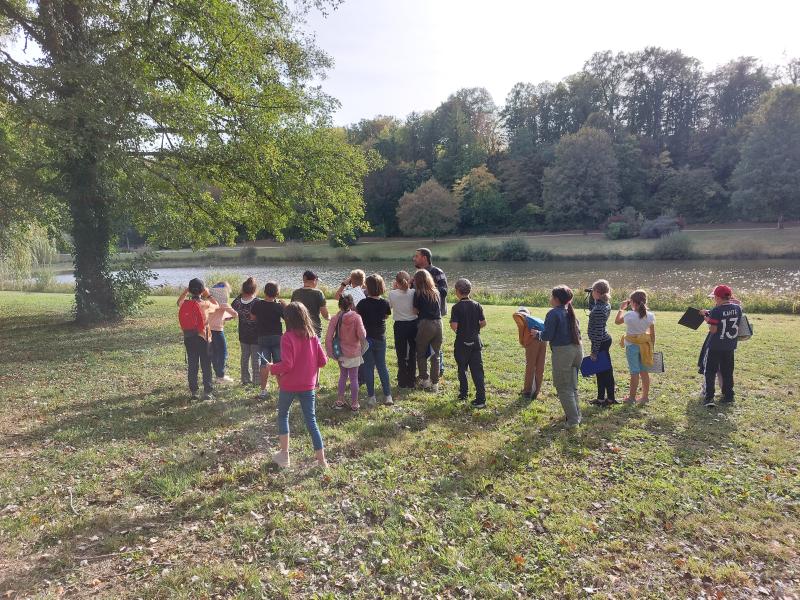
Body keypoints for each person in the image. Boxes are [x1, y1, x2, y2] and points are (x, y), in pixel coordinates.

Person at [263, 302, 329, 469]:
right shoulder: (313, 336)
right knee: (311, 421)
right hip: (308, 386)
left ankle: (284, 455)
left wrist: (272, 368)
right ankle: (322, 461)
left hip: (289, 385)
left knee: (283, 415)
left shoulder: (287, 337)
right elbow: (323, 361)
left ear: (288, 319)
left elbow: (287, 365)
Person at [535, 286, 583, 428]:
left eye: (551, 297)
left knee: (563, 387)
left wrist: (537, 334)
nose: (550, 299)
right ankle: (576, 415)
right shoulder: (570, 311)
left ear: (556, 299)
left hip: (563, 353)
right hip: (578, 350)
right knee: (572, 385)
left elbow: (547, 335)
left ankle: (573, 421)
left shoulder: (553, 313)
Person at [699, 285, 743, 408]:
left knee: (710, 371)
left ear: (718, 297)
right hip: (729, 345)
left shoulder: (716, 310)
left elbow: (713, 330)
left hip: (715, 345)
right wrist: (710, 315)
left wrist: (705, 317)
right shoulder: (738, 308)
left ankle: (709, 398)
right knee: (727, 371)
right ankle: (728, 395)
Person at [177, 278, 219, 401]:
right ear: (202, 290)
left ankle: (194, 392)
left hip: (189, 337)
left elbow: (178, 302)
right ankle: (207, 392)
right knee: (206, 365)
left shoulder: (185, 304)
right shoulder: (206, 304)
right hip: (204, 339)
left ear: (190, 290)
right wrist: (209, 294)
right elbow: (216, 305)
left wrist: (186, 291)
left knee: (192, 364)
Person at [325, 294, 367, 411]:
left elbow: (328, 337)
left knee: (343, 376)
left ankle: (340, 400)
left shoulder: (335, 318)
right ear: (352, 304)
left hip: (340, 352)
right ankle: (354, 403)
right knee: (354, 378)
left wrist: (330, 352)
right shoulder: (357, 317)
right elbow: (362, 335)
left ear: (339, 305)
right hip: (354, 352)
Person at [449, 278, 487, 408]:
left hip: (462, 343)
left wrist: (461, 330)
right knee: (477, 371)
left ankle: (463, 393)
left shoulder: (456, 307)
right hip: (476, 342)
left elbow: (454, 325)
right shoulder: (477, 305)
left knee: (462, 369)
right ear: (469, 290)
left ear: (457, 291)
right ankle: (481, 398)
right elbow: (483, 323)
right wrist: (474, 329)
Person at [357, 274, 393, 406]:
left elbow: (358, 316)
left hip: (366, 339)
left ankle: (371, 397)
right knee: (382, 366)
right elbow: (386, 315)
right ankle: (388, 395)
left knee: (368, 367)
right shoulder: (384, 303)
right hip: (380, 338)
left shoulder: (362, 303)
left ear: (367, 287)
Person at [614, 289, 656, 403]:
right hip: (645, 346)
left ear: (632, 302)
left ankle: (632, 398)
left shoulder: (629, 315)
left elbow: (617, 321)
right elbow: (652, 334)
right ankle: (645, 397)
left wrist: (621, 309)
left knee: (634, 372)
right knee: (644, 371)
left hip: (632, 346)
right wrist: (652, 347)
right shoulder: (651, 316)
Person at [412, 248, 447, 377]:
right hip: (421, 315)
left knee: (435, 348)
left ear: (424, 258)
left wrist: (427, 286)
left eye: (417, 256)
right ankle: (426, 374)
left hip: (435, 314)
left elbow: (444, 291)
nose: (414, 258)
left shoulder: (437, 271)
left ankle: (438, 370)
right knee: (424, 344)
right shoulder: (417, 274)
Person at [250, 281, 285, 400]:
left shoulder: (258, 304)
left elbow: (253, 317)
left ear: (265, 292)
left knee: (264, 364)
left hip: (262, 337)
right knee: (278, 363)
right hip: (277, 337)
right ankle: (282, 389)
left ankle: (263, 390)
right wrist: (285, 306)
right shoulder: (278, 306)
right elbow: (288, 318)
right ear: (277, 293)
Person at [587, 279, 617, 407]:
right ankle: (606, 398)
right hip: (604, 340)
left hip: (600, 341)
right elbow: (593, 307)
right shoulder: (604, 303)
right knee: (604, 370)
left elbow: (598, 332)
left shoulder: (599, 309)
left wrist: (594, 351)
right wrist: (592, 296)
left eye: (593, 291)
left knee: (603, 371)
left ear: (597, 292)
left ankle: (605, 399)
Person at [412, 269, 443, 392]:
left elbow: (415, 311)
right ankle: (435, 383)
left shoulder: (418, 293)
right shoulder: (436, 292)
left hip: (425, 324)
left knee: (421, 353)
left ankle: (425, 380)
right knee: (435, 355)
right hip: (439, 324)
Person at [388, 271, 417, 388]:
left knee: (401, 353)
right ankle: (411, 380)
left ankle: (402, 380)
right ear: (409, 280)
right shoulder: (414, 292)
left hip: (400, 325)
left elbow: (389, 308)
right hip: (413, 324)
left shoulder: (392, 294)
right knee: (412, 353)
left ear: (396, 282)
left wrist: (394, 289)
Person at [512, 307, 547, 400]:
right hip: (543, 339)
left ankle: (527, 391)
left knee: (530, 366)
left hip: (533, 341)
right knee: (540, 366)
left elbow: (515, 315)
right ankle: (536, 391)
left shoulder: (522, 319)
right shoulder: (536, 320)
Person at [232, 277, 261, 386]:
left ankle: (245, 379)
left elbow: (232, 308)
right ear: (254, 290)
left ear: (243, 289)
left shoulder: (237, 302)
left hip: (243, 334)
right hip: (256, 336)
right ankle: (257, 381)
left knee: (244, 357)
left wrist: (240, 295)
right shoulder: (257, 302)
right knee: (255, 359)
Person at [207, 282, 238, 384]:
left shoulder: (210, 301)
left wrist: (225, 316)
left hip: (208, 330)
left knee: (214, 353)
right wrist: (231, 315)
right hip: (217, 331)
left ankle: (217, 374)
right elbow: (235, 314)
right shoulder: (223, 303)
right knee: (223, 353)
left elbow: (216, 314)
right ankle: (221, 376)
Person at [290, 270, 330, 339]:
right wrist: (330, 317)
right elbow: (325, 315)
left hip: (298, 330)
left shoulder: (295, 293)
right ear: (314, 280)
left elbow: (292, 311)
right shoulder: (318, 293)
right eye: (317, 281)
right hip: (314, 330)